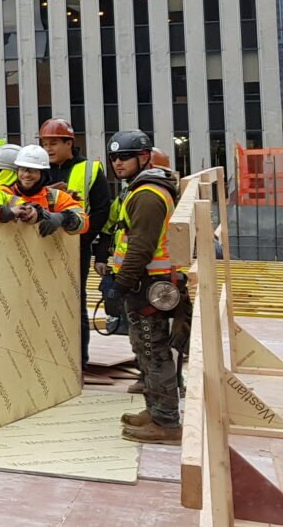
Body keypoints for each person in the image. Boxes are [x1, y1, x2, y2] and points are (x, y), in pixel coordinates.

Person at [106, 129, 187, 444]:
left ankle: (166, 422)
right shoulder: (141, 189)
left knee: (154, 352)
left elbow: (141, 247)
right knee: (145, 349)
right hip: (146, 284)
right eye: (114, 157)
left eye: (124, 156)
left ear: (143, 158)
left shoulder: (148, 194)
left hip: (149, 284)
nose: (118, 162)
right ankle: (155, 411)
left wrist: (120, 285)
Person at [39, 117, 110, 366]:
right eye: (45, 143)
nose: (48, 149)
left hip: (77, 247)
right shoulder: (39, 169)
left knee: (73, 303)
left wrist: (85, 236)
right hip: (42, 247)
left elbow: (102, 210)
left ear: (69, 142)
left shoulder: (89, 169)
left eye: (54, 143)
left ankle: (79, 360)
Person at [2, 145, 85, 239]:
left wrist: (63, 217)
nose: (26, 175)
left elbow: (83, 221)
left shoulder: (55, 197)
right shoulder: (5, 193)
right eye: (23, 169)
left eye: (32, 171)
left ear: (43, 174)